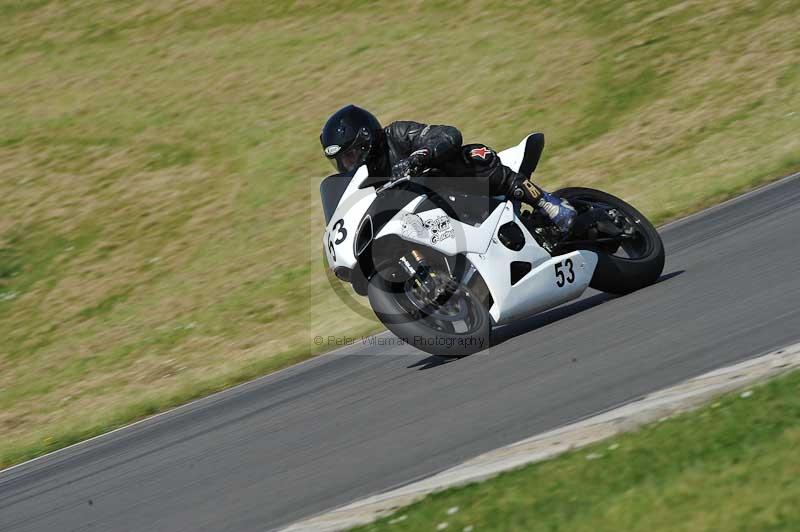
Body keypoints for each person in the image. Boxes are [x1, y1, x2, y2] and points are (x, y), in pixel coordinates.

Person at [319, 104, 576, 234]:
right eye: (342, 161)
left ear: (366, 140)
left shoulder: (396, 134)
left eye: (350, 156)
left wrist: (416, 158)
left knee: (473, 157)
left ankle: (547, 202)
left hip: (458, 183)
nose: (348, 165)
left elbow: (448, 134)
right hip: (432, 214)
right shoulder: (365, 180)